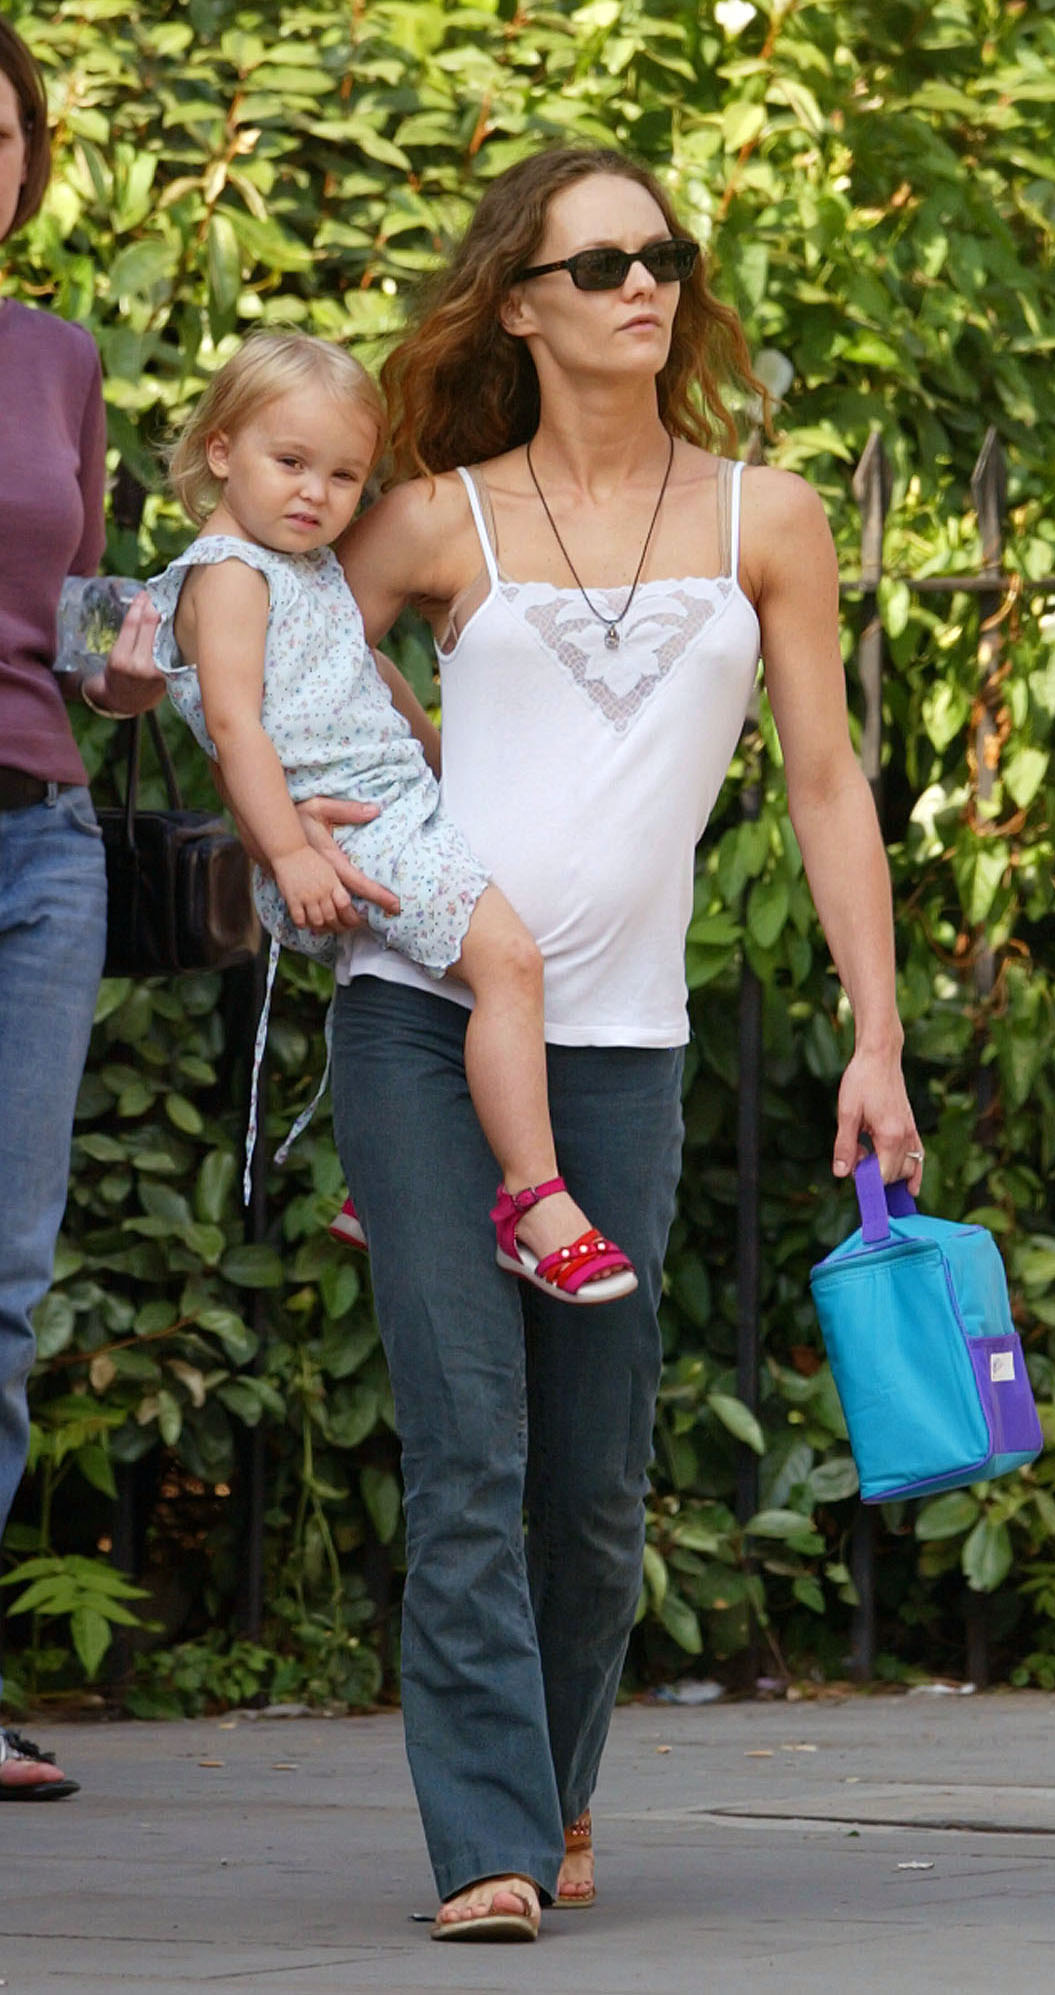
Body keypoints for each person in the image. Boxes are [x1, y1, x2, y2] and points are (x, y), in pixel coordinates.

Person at [289, 144, 925, 1940]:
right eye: (598, 264)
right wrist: (314, 818)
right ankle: (488, 1843)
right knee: (470, 1447)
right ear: (519, 304)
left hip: (623, 1055)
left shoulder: (769, 519)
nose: (642, 284)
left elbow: (822, 782)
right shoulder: (434, 518)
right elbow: (260, 666)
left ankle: (556, 1788)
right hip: (420, 1031)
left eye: (662, 255)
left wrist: (877, 1040)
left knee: (590, 1484)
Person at [147, 331, 635, 1300]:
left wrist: (442, 759)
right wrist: (289, 854)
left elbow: (363, 672)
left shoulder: (301, 567)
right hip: (351, 833)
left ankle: (381, 1189)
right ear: (220, 451)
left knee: (447, 982)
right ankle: (535, 1205)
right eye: (289, 463)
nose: (314, 494)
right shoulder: (230, 574)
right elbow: (238, 730)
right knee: (511, 965)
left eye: (343, 476)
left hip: (394, 807)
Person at [0, 20, 163, 1798]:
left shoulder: (59, 358)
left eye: (0, 133)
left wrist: (131, 672)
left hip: (40, 843)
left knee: (4, 1285)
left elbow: (77, 625)